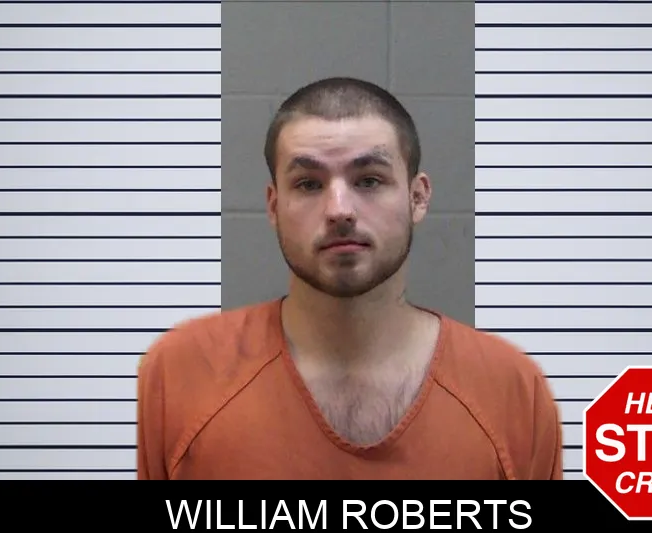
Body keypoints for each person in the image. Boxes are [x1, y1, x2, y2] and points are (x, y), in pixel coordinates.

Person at [136, 77, 563, 480]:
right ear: (273, 206)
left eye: (369, 180)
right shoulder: (179, 372)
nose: (339, 210)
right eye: (308, 184)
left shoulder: (512, 389)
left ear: (417, 197)